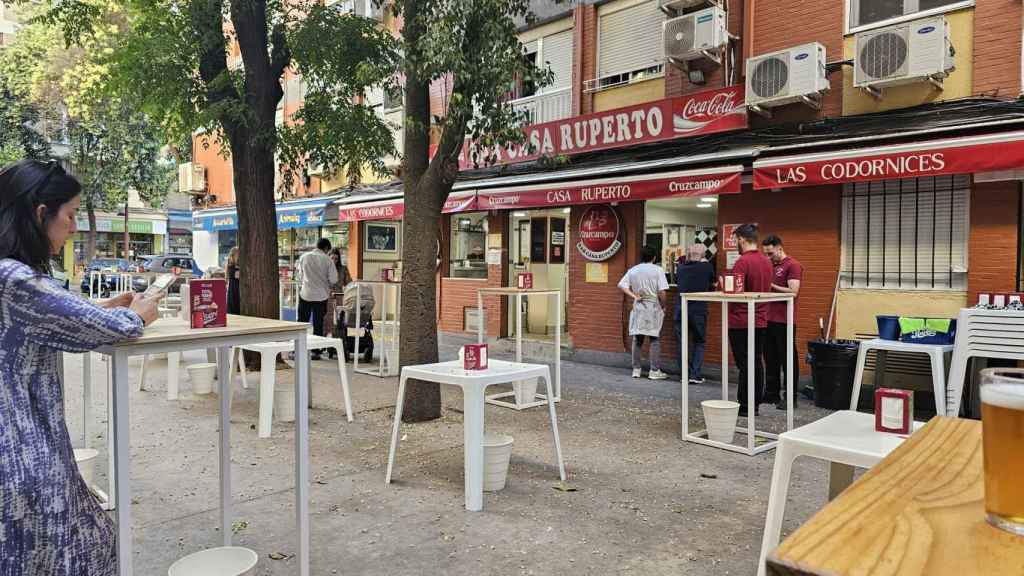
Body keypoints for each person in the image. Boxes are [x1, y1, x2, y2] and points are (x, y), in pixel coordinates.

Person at [0, 159, 160, 575]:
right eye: (69, 214)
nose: (73, 226)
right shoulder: (13, 278)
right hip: (20, 452)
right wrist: (138, 314)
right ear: (40, 214)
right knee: (85, 549)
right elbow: (111, 329)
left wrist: (98, 307)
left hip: (23, 447)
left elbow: (55, 317)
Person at [727, 223, 773, 417]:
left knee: (745, 364)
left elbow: (736, 291)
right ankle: (754, 404)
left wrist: (725, 289)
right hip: (761, 319)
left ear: (742, 240)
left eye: (736, 240)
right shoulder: (766, 261)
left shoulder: (742, 262)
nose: (736, 243)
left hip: (741, 320)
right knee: (756, 361)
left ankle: (745, 405)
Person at [762, 235, 803, 410]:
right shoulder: (770, 265)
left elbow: (793, 292)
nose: (769, 257)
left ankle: (790, 398)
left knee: (788, 360)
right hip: (768, 318)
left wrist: (771, 285)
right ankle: (772, 394)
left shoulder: (793, 265)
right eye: (766, 254)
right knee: (770, 358)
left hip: (784, 320)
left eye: (771, 253)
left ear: (779, 248)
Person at [618, 245, 669, 380]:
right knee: (654, 339)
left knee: (637, 338)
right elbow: (662, 292)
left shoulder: (633, 270)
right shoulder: (658, 270)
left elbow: (621, 285)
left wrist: (634, 296)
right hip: (653, 306)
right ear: (654, 257)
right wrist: (664, 306)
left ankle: (636, 369)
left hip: (639, 306)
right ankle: (654, 370)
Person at [675, 244, 716, 384]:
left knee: (682, 342)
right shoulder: (706, 267)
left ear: (689, 254)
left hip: (681, 309)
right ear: (703, 255)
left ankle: (683, 375)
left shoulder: (680, 268)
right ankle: (694, 374)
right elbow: (713, 282)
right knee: (699, 341)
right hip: (698, 310)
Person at [295, 237, 338, 360]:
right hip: (321, 296)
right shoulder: (327, 260)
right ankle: (315, 351)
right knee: (318, 324)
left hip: (305, 294)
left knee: (302, 322)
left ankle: (299, 348)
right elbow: (334, 279)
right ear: (325, 248)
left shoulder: (304, 257)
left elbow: (299, 275)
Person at [325, 247, 352, 357]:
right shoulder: (325, 268)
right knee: (326, 321)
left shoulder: (343, 269)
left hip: (339, 297)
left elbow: (349, 283)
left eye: (336, 259)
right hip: (326, 297)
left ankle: (340, 344)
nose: (334, 261)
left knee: (339, 321)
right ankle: (324, 344)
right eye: (332, 258)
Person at [226, 246, 241, 315]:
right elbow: (237, 276)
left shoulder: (233, 266)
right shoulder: (231, 266)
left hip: (236, 288)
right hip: (235, 288)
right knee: (234, 305)